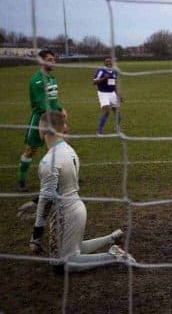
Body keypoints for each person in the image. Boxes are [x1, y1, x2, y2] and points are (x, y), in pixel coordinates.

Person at [19, 110, 134, 273]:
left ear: (44, 130)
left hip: (64, 214)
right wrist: (34, 201)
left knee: (61, 265)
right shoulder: (69, 150)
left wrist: (36, 235)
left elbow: (47, 199)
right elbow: (59, 185)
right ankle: (111, 239)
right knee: (74, 248)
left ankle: (113, 256)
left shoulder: (48, 161)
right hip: (76, 207)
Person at [17, 49, 67, 192]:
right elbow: (41, 104)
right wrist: (57, 118)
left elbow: (53, 100)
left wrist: (61, 109)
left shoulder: (52, 79)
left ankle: (62, 178)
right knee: (31, 150)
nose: (53, 62)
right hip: (40, 119)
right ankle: (21, 179)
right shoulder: (37, 80)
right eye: (50, 59)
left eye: (54, 59)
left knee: (58, 148)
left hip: (54, 118)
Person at [93, 57, 122, 135]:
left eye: (110, 61)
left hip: (112, 93)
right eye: (107, 61)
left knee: (117, 112)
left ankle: (117, 127)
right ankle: (99, 131)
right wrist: (103, 78)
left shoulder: (114, 72)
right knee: (106, 112)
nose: (109, 62)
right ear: (104, 62)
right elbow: (94, 82)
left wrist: (118, 94)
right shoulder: (101, 71)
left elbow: (114, 84)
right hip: (103, 93)